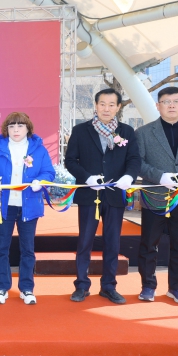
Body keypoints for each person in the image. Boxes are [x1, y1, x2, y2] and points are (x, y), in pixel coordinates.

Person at [65, 88, 141, 304]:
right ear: (96, 105)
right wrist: (86, 177)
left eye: (111, 104)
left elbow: (134, 159)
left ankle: (108, 286)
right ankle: (81, 285)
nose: (106, 108)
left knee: (112, 242)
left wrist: (129, 176)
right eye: (102, 104)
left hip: (115, 195)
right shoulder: (81, 130)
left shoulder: (127, 131)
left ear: (118, 107)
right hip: (89, 194)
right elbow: (70, 161)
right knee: (85, 241)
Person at [135, 86, 178, 304]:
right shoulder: (144, 132)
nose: (171, 105)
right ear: (158, 106)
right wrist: (159, 176)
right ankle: (148, 286)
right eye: (166, 101)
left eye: (176, 101)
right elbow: (137, 163)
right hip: (154, 195)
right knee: (149, 243)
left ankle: (176, 287)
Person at [0, 112, 55, 305]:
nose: (16, 130)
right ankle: (1, 287)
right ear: (6, 129)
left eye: (20, 126)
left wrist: (41, 181)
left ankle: (27, 288)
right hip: (4, 205)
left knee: (27, 249)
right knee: (1, 247)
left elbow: (49, 172)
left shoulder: (38, 149)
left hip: (29, 205)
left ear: (28, 128)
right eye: (12, 126)